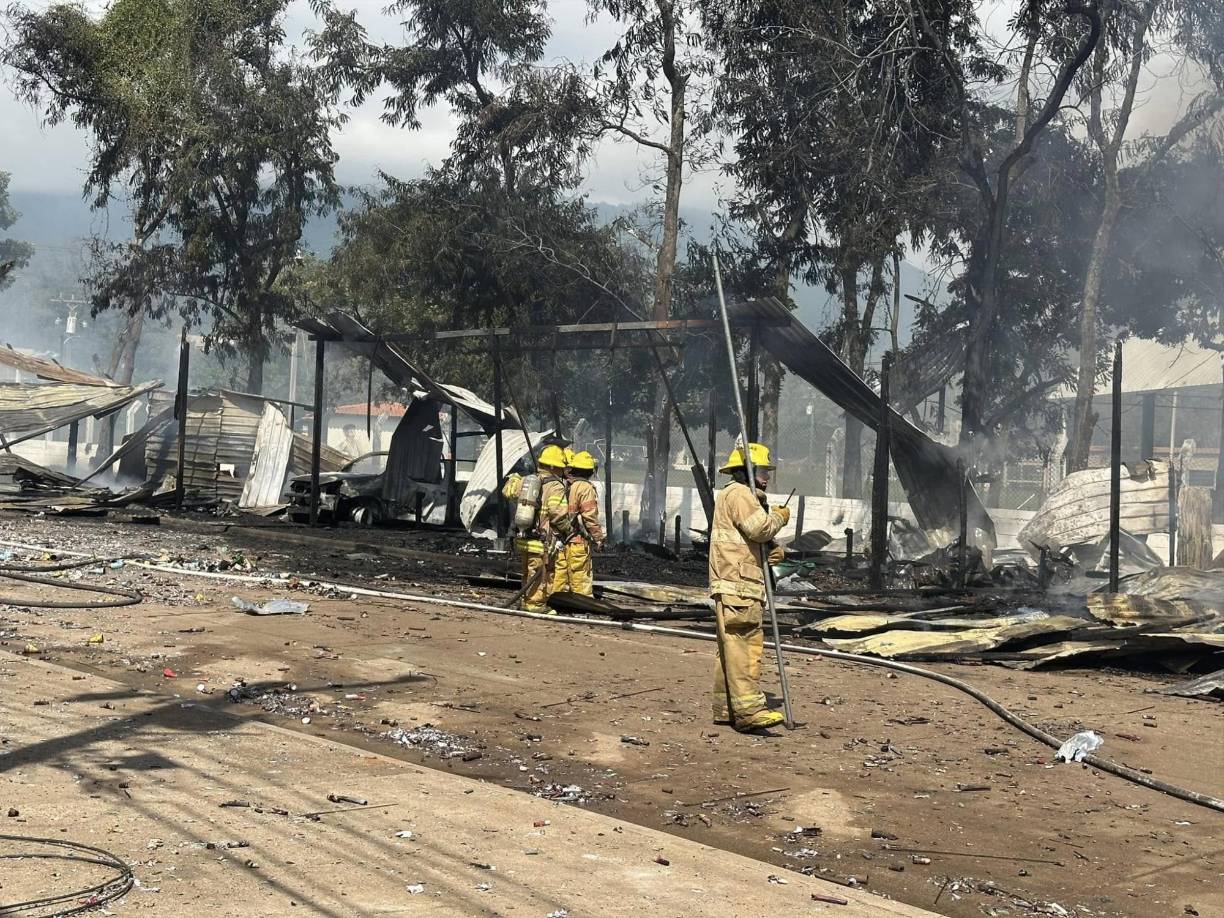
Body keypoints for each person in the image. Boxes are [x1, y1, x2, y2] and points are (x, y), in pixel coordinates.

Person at [708, 442, 790, 732]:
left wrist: (768, 551)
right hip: (740, 584)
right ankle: (749, 712)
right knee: (744, 645)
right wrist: (779, 517)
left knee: (729, 648)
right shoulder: (741, 494)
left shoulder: (731, 495)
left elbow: (749, 539)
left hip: (732, 581)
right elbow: (760, 529)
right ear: (746, 471)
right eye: (762, 471)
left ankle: (726, 708)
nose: (766, 477)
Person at [501, 444, 571, 613]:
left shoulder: (528, 481)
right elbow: (557, 513)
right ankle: (535, 605)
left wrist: (514, 478)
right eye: (560, 467)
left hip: (525, 537)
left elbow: (508, 491)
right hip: (542, 541)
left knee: (528, 571)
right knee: (541, 574)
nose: (562, 471)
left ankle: (526, 602)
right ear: (553, 466)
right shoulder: (555, 486)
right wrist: (568, 530)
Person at [551, 449, 603, 596]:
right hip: (577, 541)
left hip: (561, 540)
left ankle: (557, 601)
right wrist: (598, 538)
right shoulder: (585, 488)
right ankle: (582, 603)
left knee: (560, 577)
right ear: (590, 471)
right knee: (580, 577)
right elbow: (589, 516)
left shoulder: (565, 484)